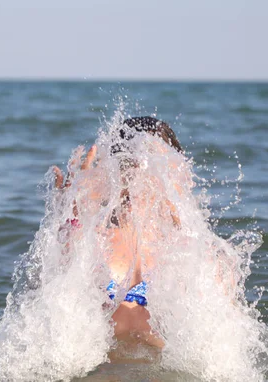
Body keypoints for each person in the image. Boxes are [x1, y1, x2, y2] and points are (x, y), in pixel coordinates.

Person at [51, 117, 183, 349]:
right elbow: (51, 306)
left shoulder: (194, 252)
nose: (144, 172)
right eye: (134, 160)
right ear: (116, 167)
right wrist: (69, 217)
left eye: (155, 163)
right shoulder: (95, 235)